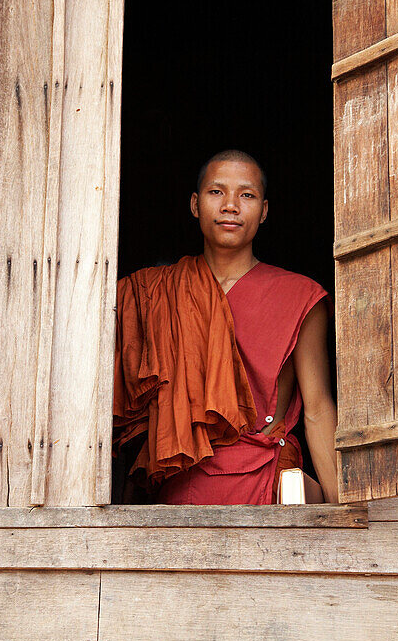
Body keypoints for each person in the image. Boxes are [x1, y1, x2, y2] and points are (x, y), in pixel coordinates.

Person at [113, 150, 339, 505]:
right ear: (194, 204)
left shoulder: (300, 295)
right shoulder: (153, 294)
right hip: (180, 479)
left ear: (264, 211)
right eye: (216, 192)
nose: (230, 205)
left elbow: (317, 409)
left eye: (246, 195)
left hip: (265, 477)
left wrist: (344, 509)